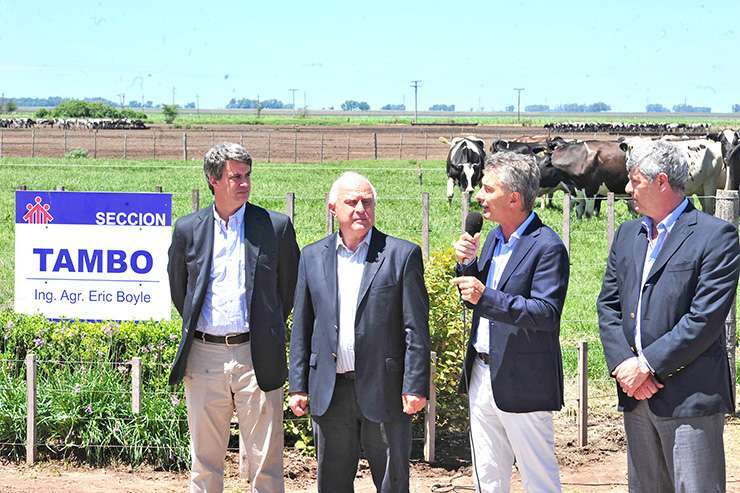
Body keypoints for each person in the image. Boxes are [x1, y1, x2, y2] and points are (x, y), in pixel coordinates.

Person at [597, 140, 739, 492]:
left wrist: (646, 366)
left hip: (689, 398)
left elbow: (703, 319)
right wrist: (623, 366)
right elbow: (608, 305)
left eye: (635, 180)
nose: (628, 189)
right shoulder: (628, 233)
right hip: (635, 394)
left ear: (661, 181)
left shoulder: (715, 236)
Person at [167, 142, 300, 492]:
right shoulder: (187, 230)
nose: (244, 183)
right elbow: (181, 292)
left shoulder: (275, 227)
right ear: (213, 180)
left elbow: (288, 292)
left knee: (267, 464)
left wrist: (263, 328)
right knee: (204, 463)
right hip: (204, 356)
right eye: (235, 176)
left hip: (256, 356)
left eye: (247, 176)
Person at [288, 171, 430, 493]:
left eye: (367, 202)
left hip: (386, 390)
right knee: (333, 484)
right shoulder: (311, 257)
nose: (360, 209)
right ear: (332, 208)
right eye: (351, 202)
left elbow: (415, 329)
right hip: (331, 390)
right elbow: (303, 326)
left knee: (392, 483)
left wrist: (415, 385)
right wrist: (298, 385)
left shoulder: (401, 255)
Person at [451, 151, 569, 492]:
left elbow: (545, 313)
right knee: (486, 477)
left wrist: (483, 295)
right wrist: (467, 268)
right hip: (482, 374)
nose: (478, 196)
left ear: (514, 198)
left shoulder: (547, 247)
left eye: (488, 189)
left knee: (538, 479)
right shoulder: (492, 238)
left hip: (524, 380)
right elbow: (484, 296)